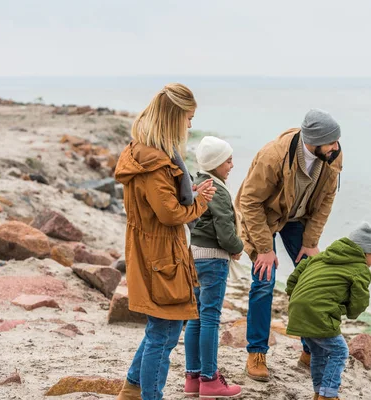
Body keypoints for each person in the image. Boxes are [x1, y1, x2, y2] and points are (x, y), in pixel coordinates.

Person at [114, 83, 216, 400]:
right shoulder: (156, 161)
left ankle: (132, 388)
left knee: (161, 325)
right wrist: (201, 203)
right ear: (173, 117)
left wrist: (192, 194)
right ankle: (149, 395)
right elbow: (169, 213)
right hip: (159, 253)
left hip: (152, 248)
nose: (190, 125)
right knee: (166, 328)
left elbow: (161, 202)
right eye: (188, 117)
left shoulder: (142, 151)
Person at [235, 109, 344, 381]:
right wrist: (264, 249)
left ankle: (310, 349)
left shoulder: (332, 154)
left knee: (312, 280)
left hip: (300, 219)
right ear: (313, 141)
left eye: (337, 141)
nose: (336, 147)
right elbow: (249, 202)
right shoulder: (273, 156)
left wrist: (310, 242)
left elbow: (327, 200)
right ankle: (256, 352)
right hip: (265, 217)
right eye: (331, 142)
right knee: (264, 281)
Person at [285, 222, 371, 400]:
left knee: (319, 353)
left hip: (297, 310)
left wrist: (295, 297)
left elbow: (295, 275)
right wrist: (350, 312)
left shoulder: (320, 257)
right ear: (366, 252)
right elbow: (359, 300)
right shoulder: (360, 269)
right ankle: (329, 395)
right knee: (340, 352)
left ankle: (318, 393)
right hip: (319, 314)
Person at [183, 136, 244, 398]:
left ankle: (193, 378)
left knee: (194, 318)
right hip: (213, 259)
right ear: (216, 163)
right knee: (210, 318)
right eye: (228, 160)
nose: (232, 164)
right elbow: (224, 227)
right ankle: (210, 380)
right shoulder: (215, 188)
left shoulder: (195, 184)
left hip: (194, 255)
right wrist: (237, 247)